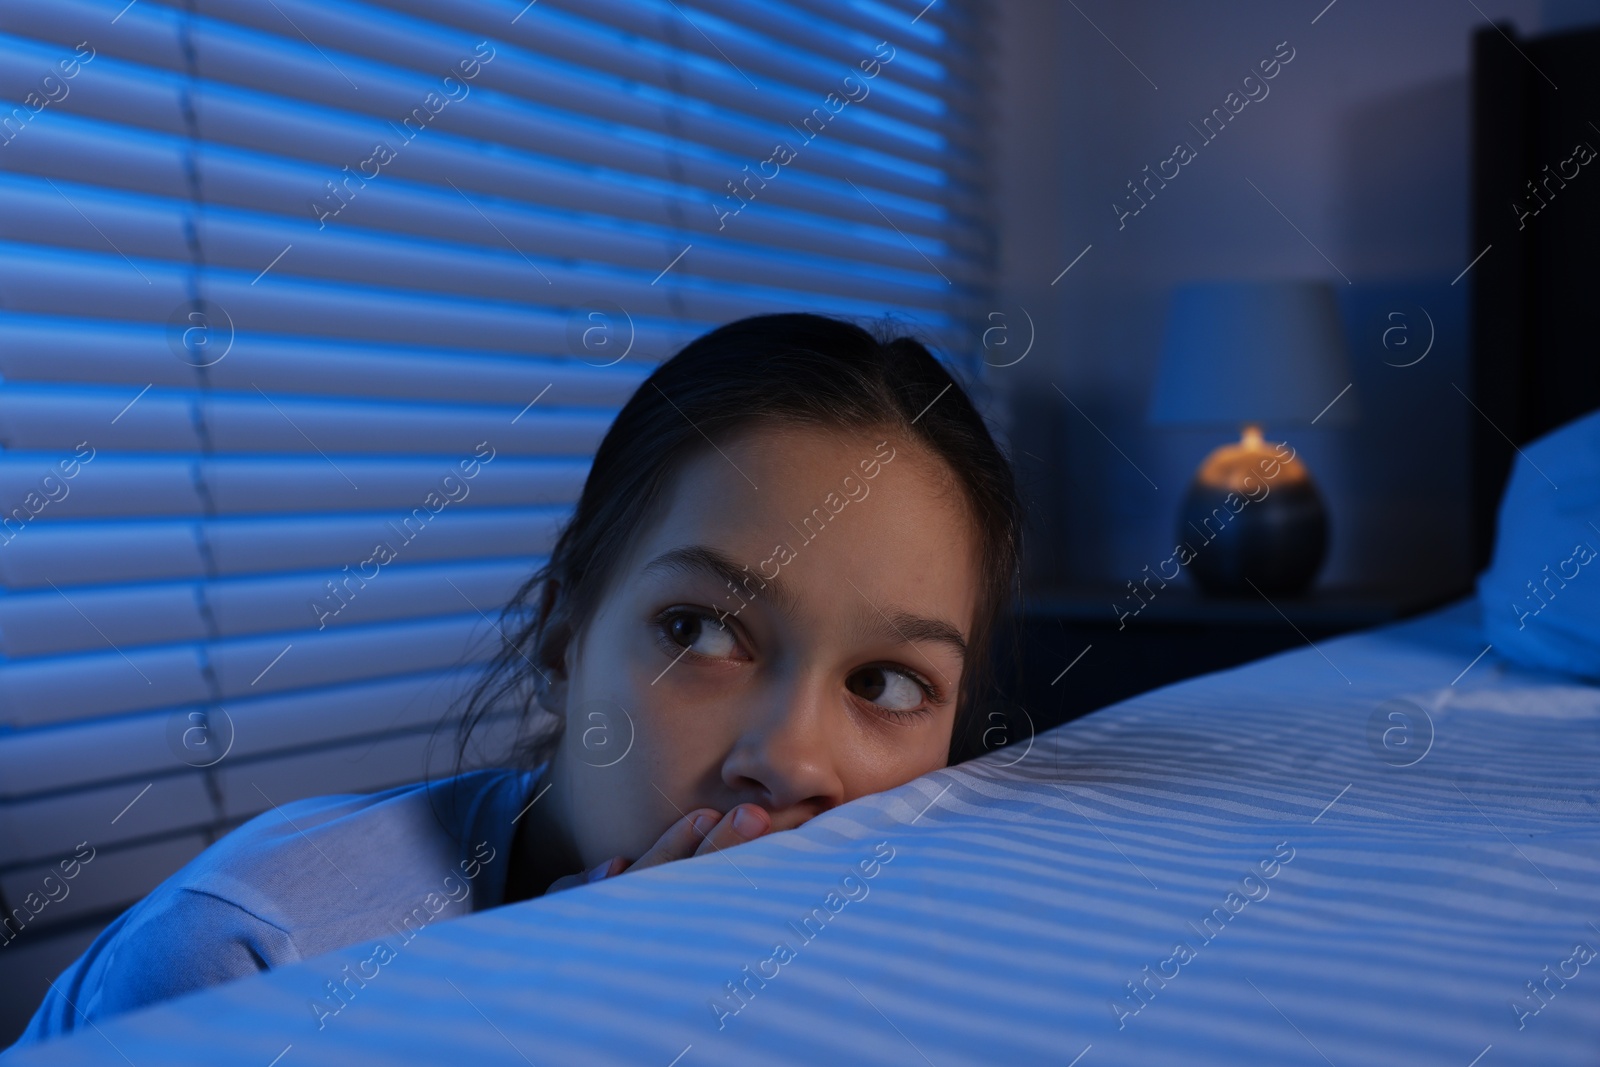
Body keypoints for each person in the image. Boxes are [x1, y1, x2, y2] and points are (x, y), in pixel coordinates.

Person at [13, 312, 1022, 1045]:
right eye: (701, 628)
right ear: (562, 640)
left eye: (886, 684)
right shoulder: (250, 953)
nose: (792, 760)